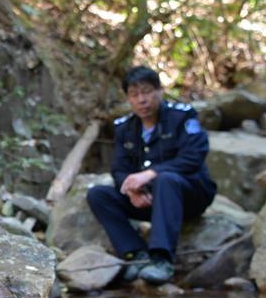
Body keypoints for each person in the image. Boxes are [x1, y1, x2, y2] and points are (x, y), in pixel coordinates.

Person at [86, 66, 216, 285]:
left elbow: (194, 157)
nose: (142, 100)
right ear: (128, 98)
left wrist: (150, 174)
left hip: (189, 197)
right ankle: (136, 254)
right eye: (134, 95)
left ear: (159, 91)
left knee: (166, 179)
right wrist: (131, 191)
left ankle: (161, 258)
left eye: (146, 92)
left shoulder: (181, 116)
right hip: (151, 201)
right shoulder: (125, 128)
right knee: (98, 195)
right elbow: (119, 169)